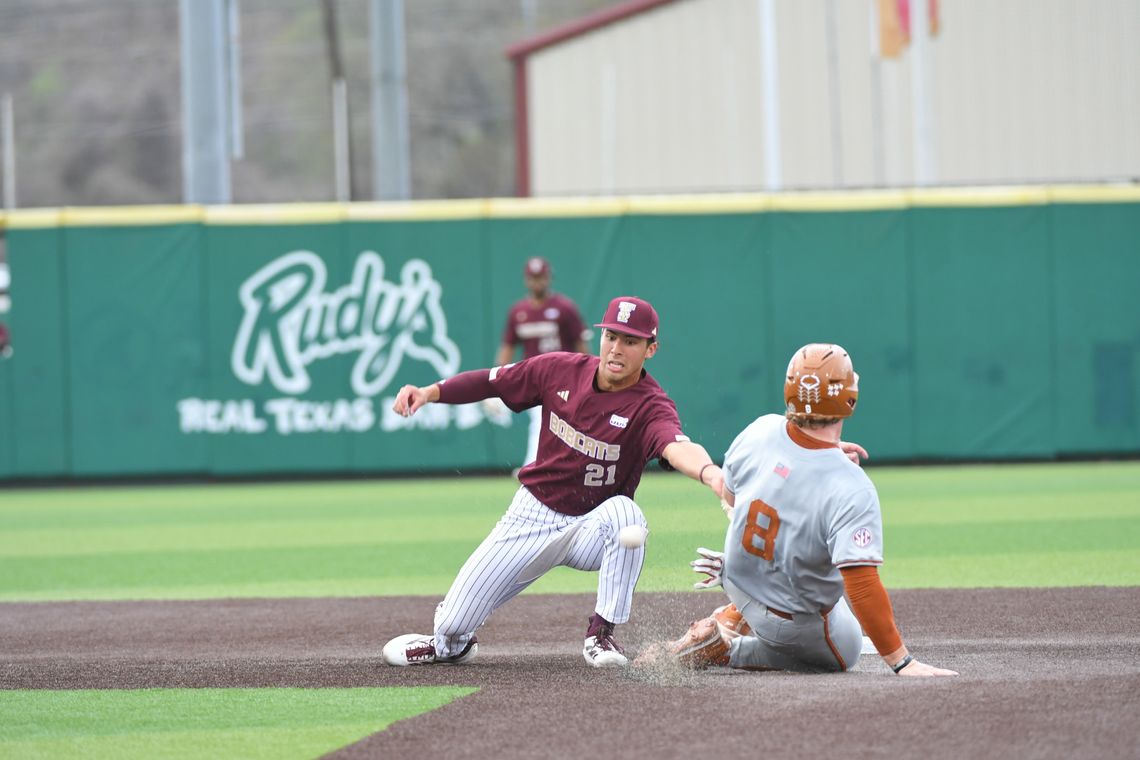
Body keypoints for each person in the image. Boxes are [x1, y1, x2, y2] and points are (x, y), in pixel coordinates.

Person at [382, 295, 728, 669]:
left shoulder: (650, 405)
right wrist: (431, 392)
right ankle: (451, 644)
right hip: (533, 513)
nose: (617, 348)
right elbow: (491, 381)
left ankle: (601, 633)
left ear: (650, 349)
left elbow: (677, 446)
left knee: (628, 517)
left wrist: (710, 473)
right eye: (611, 336)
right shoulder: (560, 370)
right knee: (450, 624)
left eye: (630, 341)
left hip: (591, 528)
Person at [639, 343, 957, 677]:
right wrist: (901, 661)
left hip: (736, 578)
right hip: (792, 622)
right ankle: (728, 650)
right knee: (846, 651)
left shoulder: (758, 430)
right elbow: (861, 585)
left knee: (791, 557)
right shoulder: (851, 486)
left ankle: (733, 616)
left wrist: (819, 455)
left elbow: (733, 499)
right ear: (848, 398)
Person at [493, 256, 590, 470]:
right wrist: (497, 381)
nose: (537, 282)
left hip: (564, 377)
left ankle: (535, 466)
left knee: (549, 422)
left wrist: (588, 375)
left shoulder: (564, 308)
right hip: (534, 376)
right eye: (533, 278)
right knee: (542, 420)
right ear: (526, 280)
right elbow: (507, 348)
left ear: (549, 278)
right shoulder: (518, 312)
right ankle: (538, 466)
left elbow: (581, 346)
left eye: (541, 277)